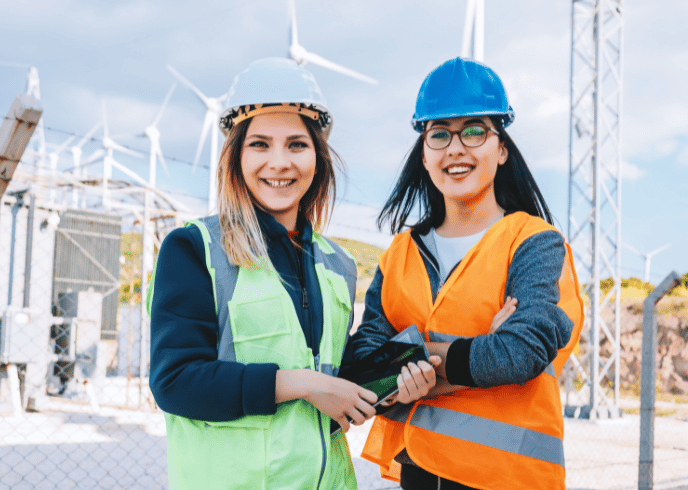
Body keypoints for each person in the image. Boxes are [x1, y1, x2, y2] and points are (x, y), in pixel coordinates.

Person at [148, 58, 389, 490]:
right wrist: (301, 385)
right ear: (235, 155)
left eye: (297, 144)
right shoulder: (193, 249)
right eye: (260, 144)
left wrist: (401, 376)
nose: (279, 163)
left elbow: (332, 371)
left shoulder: (338, 264)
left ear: (318, 157)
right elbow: (175, 381)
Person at [350, 57, 585, 490]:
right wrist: (481, 352)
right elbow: (361, 372)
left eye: (474, 130)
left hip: (511, 478)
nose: (455, 148)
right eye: (439, 134)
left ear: (501, 149)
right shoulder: (399, 254)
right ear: (424, 154)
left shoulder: (534, 243)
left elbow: (521, 352)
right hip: (420, 475)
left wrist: (414, 367)